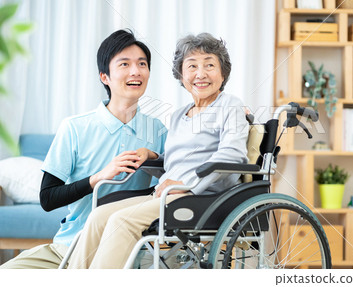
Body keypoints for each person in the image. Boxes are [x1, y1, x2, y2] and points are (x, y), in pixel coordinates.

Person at [67, 33, 249, 269]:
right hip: (168, 195)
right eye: (192, 66)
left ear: (223, 73)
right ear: (181, 75)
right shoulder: (179, 114)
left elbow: (232, 156)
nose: (200, 74)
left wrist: (187, 186)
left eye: (209, 65)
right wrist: (153, 156)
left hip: (204, 198)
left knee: (122, 222)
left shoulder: (230, 105)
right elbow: (180, 162)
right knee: (98, 217)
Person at [0, 29, 167, 269]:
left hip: (130, 253)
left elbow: (175, 177)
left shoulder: (159, 130)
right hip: (68, 247)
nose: (135, 71)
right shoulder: (75, 127)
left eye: (142, 64)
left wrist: (153, 155)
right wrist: (97, 178)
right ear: (104, 76)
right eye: (124, 64)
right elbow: (47, 198)